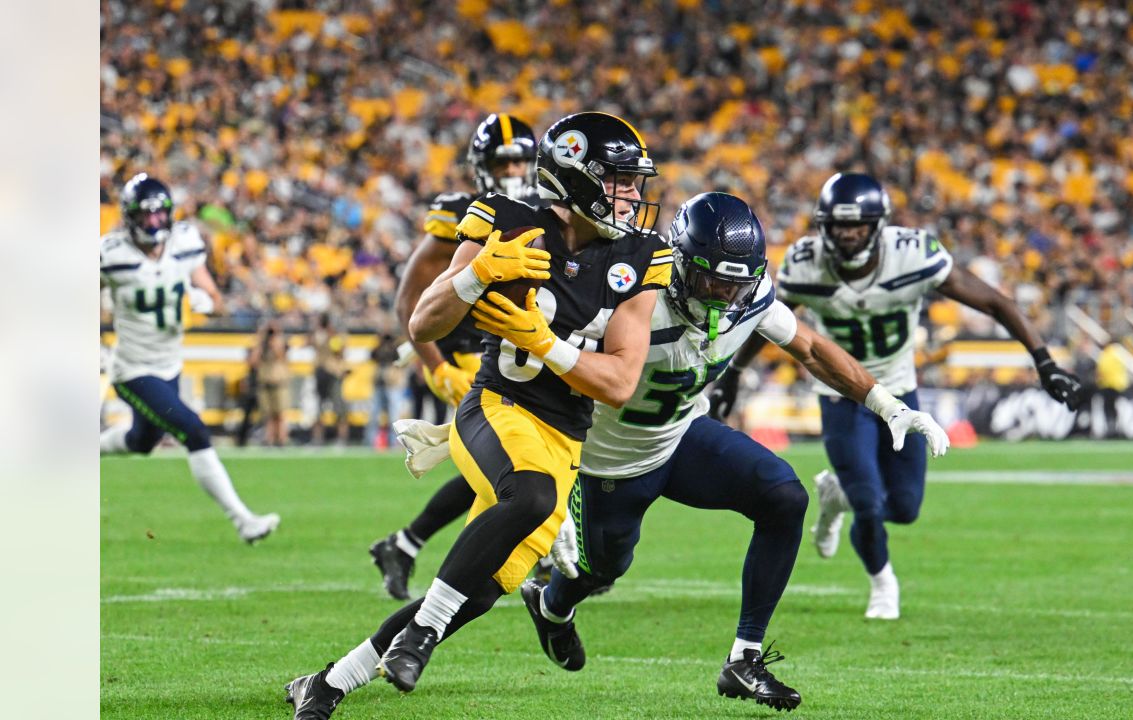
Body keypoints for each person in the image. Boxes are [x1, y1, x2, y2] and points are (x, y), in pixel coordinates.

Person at [284, 111, 670, 718]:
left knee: (480, 590)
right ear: (577, 178)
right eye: (618, 180)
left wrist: (547, 343)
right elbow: (422, 321)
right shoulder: (506, 219)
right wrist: (478, 275)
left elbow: (620, 381)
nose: (632, 195)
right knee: (534, 498)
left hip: (565, 438)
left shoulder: (642, 257)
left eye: (633, 181)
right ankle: (421, 635)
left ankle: (329, 681)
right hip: (496, 405)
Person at [523, 193, 949, 712]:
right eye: (714, 280)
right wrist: (553, 487)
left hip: (682, 434)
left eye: (738, 282)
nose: (727, 294)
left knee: (784, 497)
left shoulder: (750, 295)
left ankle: (743, 661)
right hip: (610, 461)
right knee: (599, 571)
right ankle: (551, 608)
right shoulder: (629, 296)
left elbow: (810, 347)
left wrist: (885, 403)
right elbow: (545, 386)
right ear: (680, 264)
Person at [710, 172, 1083, 620]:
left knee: (904, 508)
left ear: (879, 225)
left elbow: (995, 303)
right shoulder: (805, 263)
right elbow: (765, 316)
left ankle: (836, 496)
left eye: (858, 225)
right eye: (839, 225)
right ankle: (882, 582)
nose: (848, 235)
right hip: (840, 391)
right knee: (869, 501)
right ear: (823, 226)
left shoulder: (911, 255)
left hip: (899, 390)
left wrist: (1044, 361)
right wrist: (733, 374)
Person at [368, 113, 539, 600]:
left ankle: (404, 545)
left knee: (502, 468)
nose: (512, 170)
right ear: (480, 166)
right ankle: (532, 566)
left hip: (524, 351)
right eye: (502, 161)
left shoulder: (551, 207)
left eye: (522, 160)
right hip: (471, 355)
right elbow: (410, 298)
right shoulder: (468, 212)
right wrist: (436, 365)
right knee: (514, 466)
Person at [99, 172, 280, 543]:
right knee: (193, 430)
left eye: (159, 214)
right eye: (145, 215)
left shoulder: (184, 242)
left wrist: (205, 302)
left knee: (141, 441)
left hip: (169, 364)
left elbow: (215, 299)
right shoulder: (110, 254)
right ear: (130, 217)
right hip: (132, 370)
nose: (153, 223)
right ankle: (243, 519)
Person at [309, 314, 350, 445]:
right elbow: (309, 343)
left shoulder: (335, 336)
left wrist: (332, 335)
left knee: (338, 407)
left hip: (333, 374)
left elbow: (340, 353)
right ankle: (317, 438)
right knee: (317, 408)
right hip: (320, 373)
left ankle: (341, 439)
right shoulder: (318, 335)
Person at [253, 319, 290, 447]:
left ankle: (281, 439)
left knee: (279, 413)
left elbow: (282, 356)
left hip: (279, 381)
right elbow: (253, 361)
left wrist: (275, 341)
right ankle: (269, 439)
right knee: (267, 414)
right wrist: (260, 341)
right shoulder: (261, 345)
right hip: (265, 381)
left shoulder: (280, 342)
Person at [368, 331, 405, 448]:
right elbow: (372, 355)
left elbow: (399, 362)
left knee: (393, 413)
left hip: (390, 384)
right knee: (376, 413)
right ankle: (372, 440)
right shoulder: (379, 350)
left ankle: (394, 441)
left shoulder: (394, 350)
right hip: (380, 383)